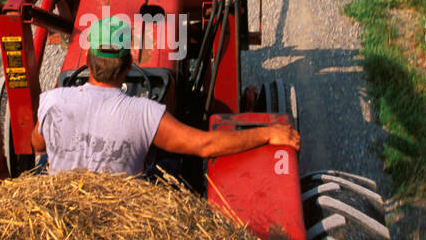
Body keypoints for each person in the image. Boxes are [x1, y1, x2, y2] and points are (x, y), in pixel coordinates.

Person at [31, 15, 300, 175]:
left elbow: (38, 145)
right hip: (125, 212)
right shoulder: (145, 113)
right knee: (173, 164)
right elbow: (204, 145)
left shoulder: (52, 101)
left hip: (63, 208)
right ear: (128, 65)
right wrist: (266, 133)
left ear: (88, 62)